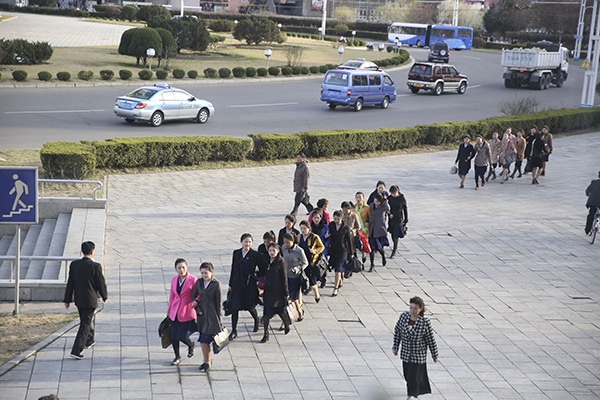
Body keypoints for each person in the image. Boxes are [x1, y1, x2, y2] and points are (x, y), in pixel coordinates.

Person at [63, 241, 108, 361]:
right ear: (92, 252)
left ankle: (89, 340)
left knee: (85, 320)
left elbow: (70, 283)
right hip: (90, 300)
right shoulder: (95, 266)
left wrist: (67, 299)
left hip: (79, 299)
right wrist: (104, 295)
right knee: (85, 324)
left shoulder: (74, 265)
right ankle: (76, 350)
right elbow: (100, 283)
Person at [392, 296, 439, 400]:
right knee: (407, 375)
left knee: (413, 376)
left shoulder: (424, 322)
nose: (413, 310)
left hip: (418, 355)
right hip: (406, 353)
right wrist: (395, 347)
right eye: (411, 307)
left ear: (421, 309)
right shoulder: (404, 317)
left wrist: (435, 355)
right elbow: (397, 332)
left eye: (415, 308)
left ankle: (410, 395)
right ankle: (412, 390)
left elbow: (430, 339)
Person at [229, 233, 265, 340]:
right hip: (237, 283)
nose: (247, 244)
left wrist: (256, 275)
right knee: (234, 307)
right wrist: (231, 284)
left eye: (249, 242)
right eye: (245, 241)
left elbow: (262, 268)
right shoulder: (236, 253)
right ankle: (234, 330)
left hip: (249, 284)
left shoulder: (255, 254)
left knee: (250, 306)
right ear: (241, 242)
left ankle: (256, 320)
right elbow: (233, 268)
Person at [165, 258, 197, 365]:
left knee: (182, 336)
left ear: (186, 267)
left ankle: (191, 345)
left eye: (183, 267)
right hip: (175, 311)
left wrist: (196, 303)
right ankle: (177, 356)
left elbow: (198, 294)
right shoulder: (174, 279)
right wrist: (169, 310)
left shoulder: (193, 279)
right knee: (174, 336)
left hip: (187, 311)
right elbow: (172, 296)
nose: (181, 269)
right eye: (179, 268)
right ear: (176, 269)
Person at [192, 262, 222, 372]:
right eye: (202, 273)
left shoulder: (216, 284)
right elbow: (193, 295)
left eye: (206, 273)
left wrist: (220, 320)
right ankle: (206, 361)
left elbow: (218, 303)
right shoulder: (199, 283)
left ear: (211, 272)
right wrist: (198, 309)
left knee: (207, 339)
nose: (204, 275)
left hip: (213, 316)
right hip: (202, 316)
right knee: (203, 340)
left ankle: (207, 361)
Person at [260, 243, 290, 343]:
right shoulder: (266, 261)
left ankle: (286, 323)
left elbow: (284, 278)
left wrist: (286, 292)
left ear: (278, 251)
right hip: (268, 291)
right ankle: (266, 333)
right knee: (266, 314)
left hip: (278, 292)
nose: (272, 253)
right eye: (270, 250)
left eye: (274, 250)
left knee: (280, 311)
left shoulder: (281, 262)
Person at [282, 233, 309, 321]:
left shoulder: (299, 251)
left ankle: (297, 313)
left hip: (295, 277)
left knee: (293, 298)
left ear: (293, 241)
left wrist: (297, 269)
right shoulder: (283, 248)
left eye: (288, 243)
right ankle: (295, 314)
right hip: (285, 276)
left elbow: (305, 263)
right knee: (287, 297)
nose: (286, 244)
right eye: (284, 242)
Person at [328, 210, 354, 297]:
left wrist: (351, 252)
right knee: (335, 267)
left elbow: (349, 241)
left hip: (343, 251)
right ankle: (340, 280)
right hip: (333, 250)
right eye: (335, 219)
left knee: (338, 270)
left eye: (338, 219)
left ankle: (335, 288)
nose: (336, 221)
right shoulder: (331, 225)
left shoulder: (346, 228)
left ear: (342, 219)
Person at [298, 220, 324, 302]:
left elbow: (321, 247)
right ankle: (299, 300)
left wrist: (314, 251)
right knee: (300, 281)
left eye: (304, 228)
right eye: (301, 228)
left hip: (311, 262)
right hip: (301, 262)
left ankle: (316, 293)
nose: (303, 230)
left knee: (312, 282)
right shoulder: (298, 237)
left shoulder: (314, 237)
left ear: (309, 228)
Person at [369, 193, 390, 271]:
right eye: (375, 201)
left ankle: (383, 256)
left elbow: (388, 208)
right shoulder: (371, 206)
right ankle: (372, 264)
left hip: (379, 229)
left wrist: (385, 200)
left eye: (377, 201)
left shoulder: (383, 207)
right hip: (372, 229)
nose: (376, 202)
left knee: (379, 247)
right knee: (371, 248)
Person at [310, 210, 330, 288]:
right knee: (314, 266)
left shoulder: (325, 227)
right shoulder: (310, 227)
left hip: (322, 250)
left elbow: (329, 238)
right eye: (314, 218)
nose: (316, 220)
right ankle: (314, 281)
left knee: (322, 265)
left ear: (321, 218)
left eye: (318, 218)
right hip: (313, 250)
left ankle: (323, 279)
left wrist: (325, 244)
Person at [387, 186, 408, 259]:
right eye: (392, 193)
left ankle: (394, 251)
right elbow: (387, 208)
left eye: (395, 193)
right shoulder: (389, 198)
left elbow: (405, 208)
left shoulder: (401, 198)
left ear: (398, 191)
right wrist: (389, 214)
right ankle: (394, 245)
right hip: (392, 218)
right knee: (393, 234)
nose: (394, 195)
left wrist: (406, 218)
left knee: (396, 234)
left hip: (399, 218)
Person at [342, 201, 361, 276]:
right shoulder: (342, 215)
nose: (345, 212)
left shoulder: (354, 216)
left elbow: (358, 227)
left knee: (352, 254)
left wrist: (352, 231)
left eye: (346, 210)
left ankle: (351, 268)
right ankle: (346, 270)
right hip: (343, 239)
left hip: (352, 239)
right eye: (343, 210)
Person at [354, 192, 372, 265]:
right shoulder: (353, 208)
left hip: (364, 229)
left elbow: (370, 217)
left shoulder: (367, 207)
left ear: (363, 198)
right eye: (357, 197)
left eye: (360, 197)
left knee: (363, 243)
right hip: (356, 229)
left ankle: (363, 255)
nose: (358, 199)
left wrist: (368, 223)